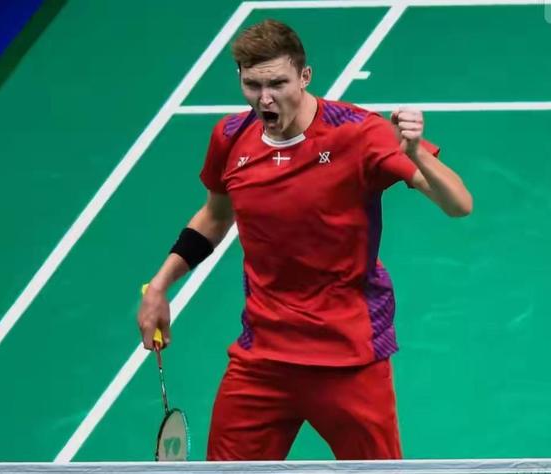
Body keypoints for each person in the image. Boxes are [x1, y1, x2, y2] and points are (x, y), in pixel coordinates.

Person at [137, 19, 472, 461]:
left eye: (278, 83)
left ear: (305, 76)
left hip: (349, 358)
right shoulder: (230, 137)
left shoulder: (359, 132)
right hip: (263, 358)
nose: (265, 98)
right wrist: (160, 285)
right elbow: (215, 216)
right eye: (253, 85)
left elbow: (458, 203)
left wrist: (414, 154)